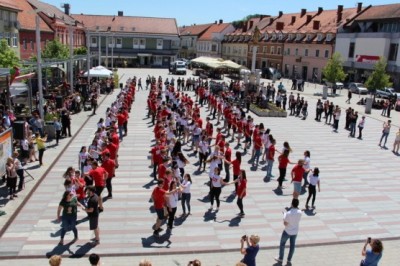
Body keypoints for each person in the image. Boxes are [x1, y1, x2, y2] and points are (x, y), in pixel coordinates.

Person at [275, 198, 302, 265]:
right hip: (295, 232)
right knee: (292, 246)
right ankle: (289, 260)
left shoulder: (288, 213)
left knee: (282, 244)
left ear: (292, 204)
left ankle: (281, 258)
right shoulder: (300, 212)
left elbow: (285, 224)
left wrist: (284, 215)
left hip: (287, 231)